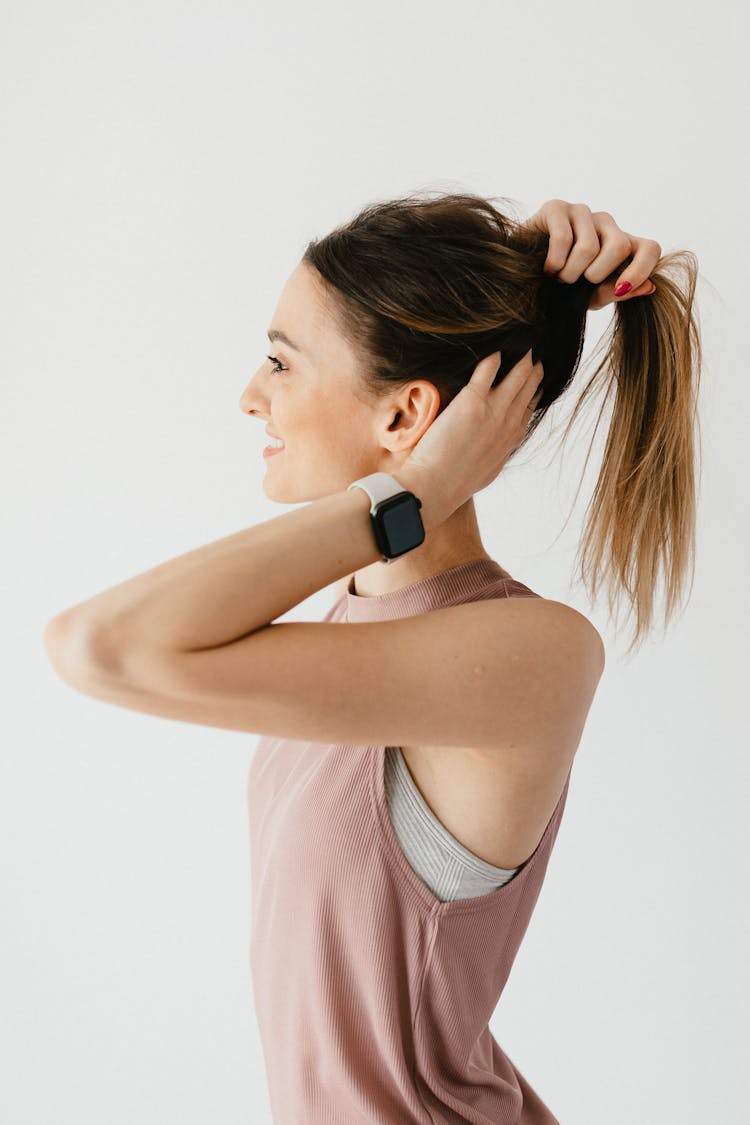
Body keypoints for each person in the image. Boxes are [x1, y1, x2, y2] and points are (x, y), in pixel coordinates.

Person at [44, 192, 702, 1123]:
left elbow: (98, 646)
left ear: (405, 416)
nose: (248, 393)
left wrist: (417, 488)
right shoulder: (348, 616)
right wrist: (407, 491)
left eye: (280, 360)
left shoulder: (531, 652)